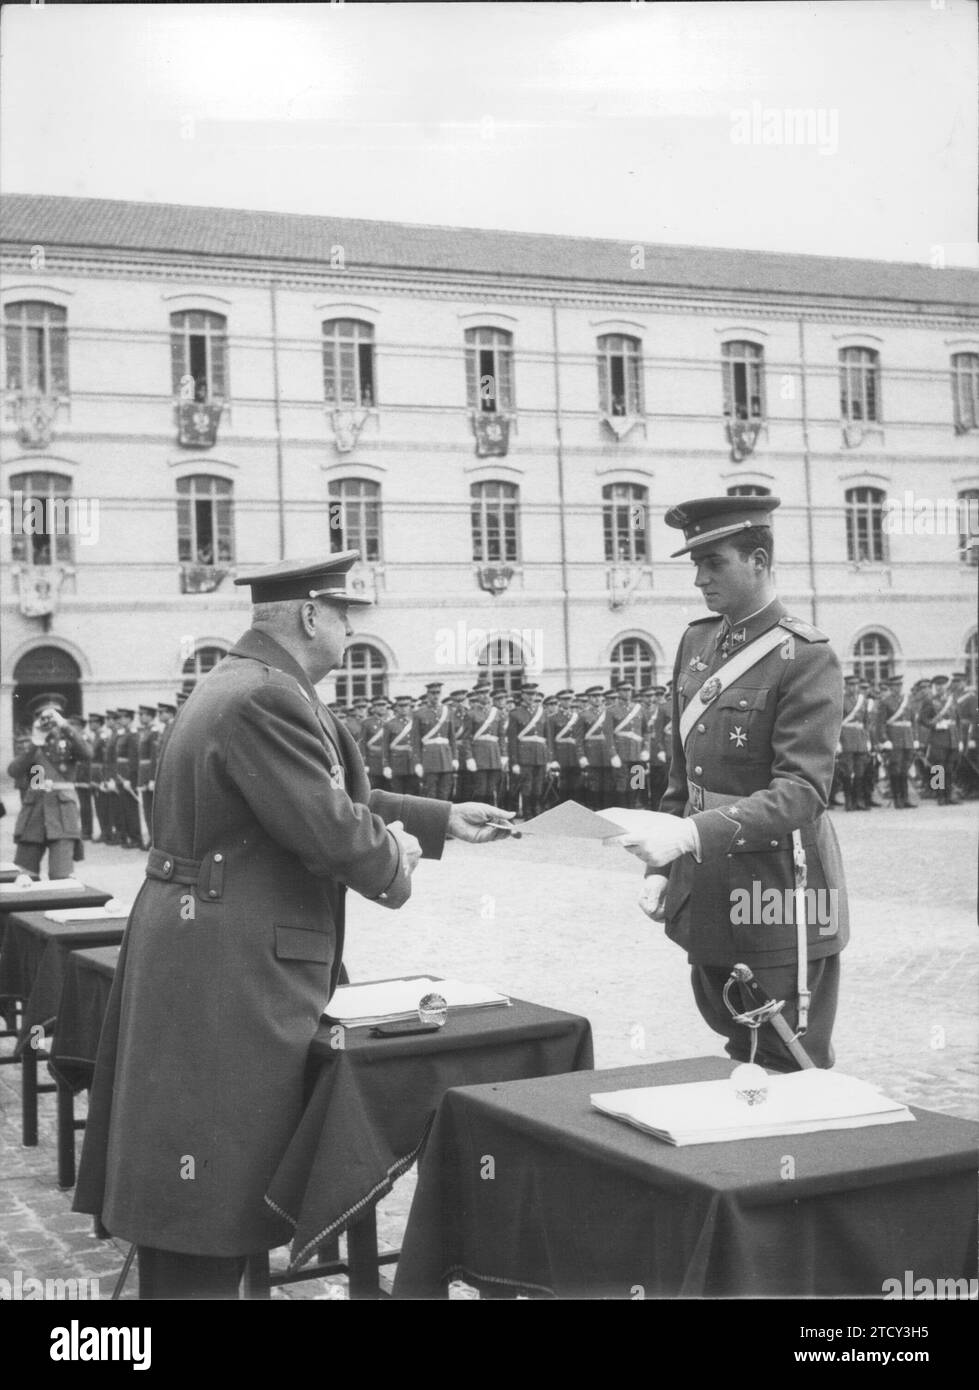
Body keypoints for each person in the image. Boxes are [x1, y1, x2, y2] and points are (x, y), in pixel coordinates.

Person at [73, 551, 512, 1299]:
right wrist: (393, 855)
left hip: (207, 949)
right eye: (346, 616)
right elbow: (328, 829)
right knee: (208, 1179)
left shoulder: (249, 682)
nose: (352, 632)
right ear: (311, 615)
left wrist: (437, 818)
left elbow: (313, 794)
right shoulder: (266, 699)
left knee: (206, 1172)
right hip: (230, 970)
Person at [622, 495, 848, 1071]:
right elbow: (683, 771)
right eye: (695, 564)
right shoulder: (697, 643)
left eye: (714, 562)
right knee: (734, 1038)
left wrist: (688, 838)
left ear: (759, 559)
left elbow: (802, 792)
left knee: (788, 1052)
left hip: (778, 888)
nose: (699, 579)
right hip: (707, 881)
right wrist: (660, 869)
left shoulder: (805, 656)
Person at [7, 695, 93, 878]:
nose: (48, 721)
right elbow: (14, 770)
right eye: (43, 717)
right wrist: (35, 743)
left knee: (61, 876)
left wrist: (65, 726)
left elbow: (87, 754)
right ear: (36, 718)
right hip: (34, 813)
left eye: (53, 716)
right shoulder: (30, 742)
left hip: (62, 813)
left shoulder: (70, 740)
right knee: (24, 875)